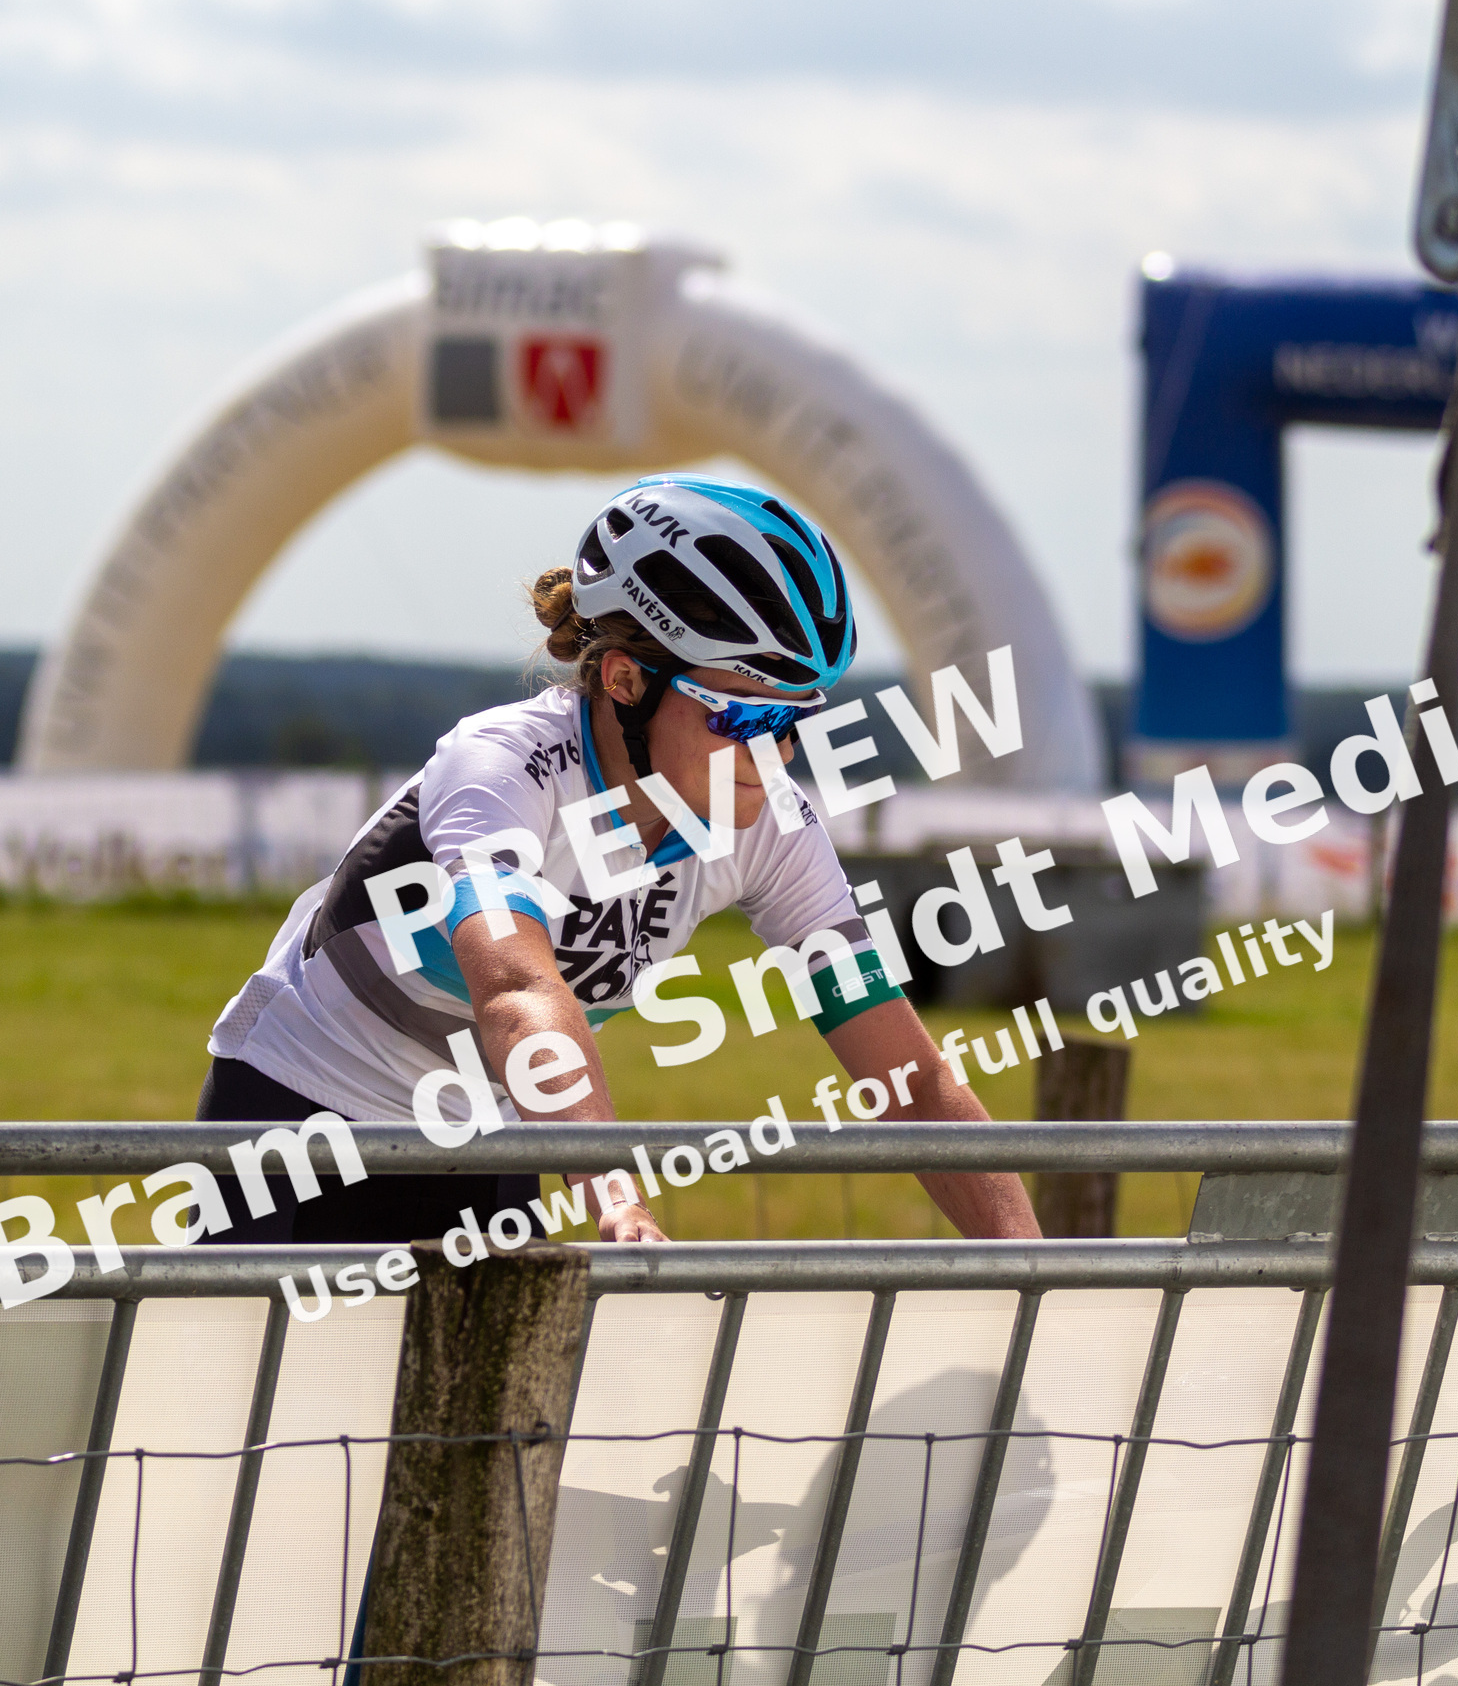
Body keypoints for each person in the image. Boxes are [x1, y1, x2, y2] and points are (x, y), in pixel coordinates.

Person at [197, 473, 1042, 1244]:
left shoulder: (767, 822)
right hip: (300, 1120)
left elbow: (912, 1081)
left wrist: (1029, 1271)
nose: (774, 756)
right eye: (742, 716)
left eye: (795, 722)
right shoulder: (501, 768)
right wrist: (612, 1192)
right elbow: (517, 990)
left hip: (491, 1138)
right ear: (626, 682)